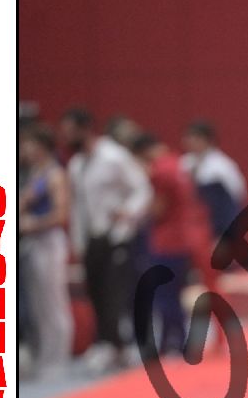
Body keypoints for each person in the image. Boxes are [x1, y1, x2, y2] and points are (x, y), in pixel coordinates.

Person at [61, 106, 153, 372]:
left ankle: (120, 345)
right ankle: (113, 344)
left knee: (116, 293)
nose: (66, 137)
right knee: (96, 293)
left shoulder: (114, 156)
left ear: (85, 129)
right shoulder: (77, 165)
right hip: (92, 239)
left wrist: (129, 213)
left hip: (117, 236)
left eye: (70, 131)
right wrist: (77, 242)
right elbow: (78, 206)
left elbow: (142, 188)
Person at [132, 133, 213, 355]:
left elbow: (159, 209)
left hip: (166, 242)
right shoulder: (177, 164)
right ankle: (178, 340)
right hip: (183, 239)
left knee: (165, 295)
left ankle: (175, 342)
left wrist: (136, 216)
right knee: (174, 293)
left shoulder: (160, 171)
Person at [18, 123, 74, 378]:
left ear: (41, 146)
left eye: (28, 144)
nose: (24, 149)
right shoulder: (33, 174)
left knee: (53, 301)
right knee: (38, 304)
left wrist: (34, 223)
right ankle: (45, 354)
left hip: (50, 241)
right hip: (32, 243)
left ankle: (60, 356)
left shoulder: (55, 174)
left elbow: (61, 214)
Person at [181, 120, 246, 243]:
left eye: (196, 138)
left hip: (216, 222)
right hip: (190, 222)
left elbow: (237, 194)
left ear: (207, 140)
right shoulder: (184, 163)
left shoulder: (222, 165)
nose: (190, 141)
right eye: (188, 137)